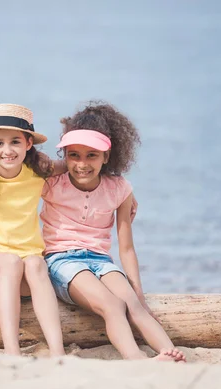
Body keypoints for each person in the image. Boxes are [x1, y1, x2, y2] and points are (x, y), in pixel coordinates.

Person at [40, 101, 186, 361]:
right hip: (61, 260)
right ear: (64, 156)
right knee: (112, 305)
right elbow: (20, 170)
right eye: (74, 155)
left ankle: (169, 352)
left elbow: (126, 247)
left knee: (133, 305)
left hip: (100, 260)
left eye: (91, 155)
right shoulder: (51, 183)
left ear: (106, 156)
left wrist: (138, 291)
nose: (82, 164)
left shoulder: (119, 188)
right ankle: (136, 359)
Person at [0, 104, 65, 357]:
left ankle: (58, 351)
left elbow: (80, 165)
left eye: (15, 142)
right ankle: (12, 351)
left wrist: (122, 191)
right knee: (11, 263)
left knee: (36, 263)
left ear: (29, 144)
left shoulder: (39, 171)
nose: (7, 151)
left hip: (29, 279)